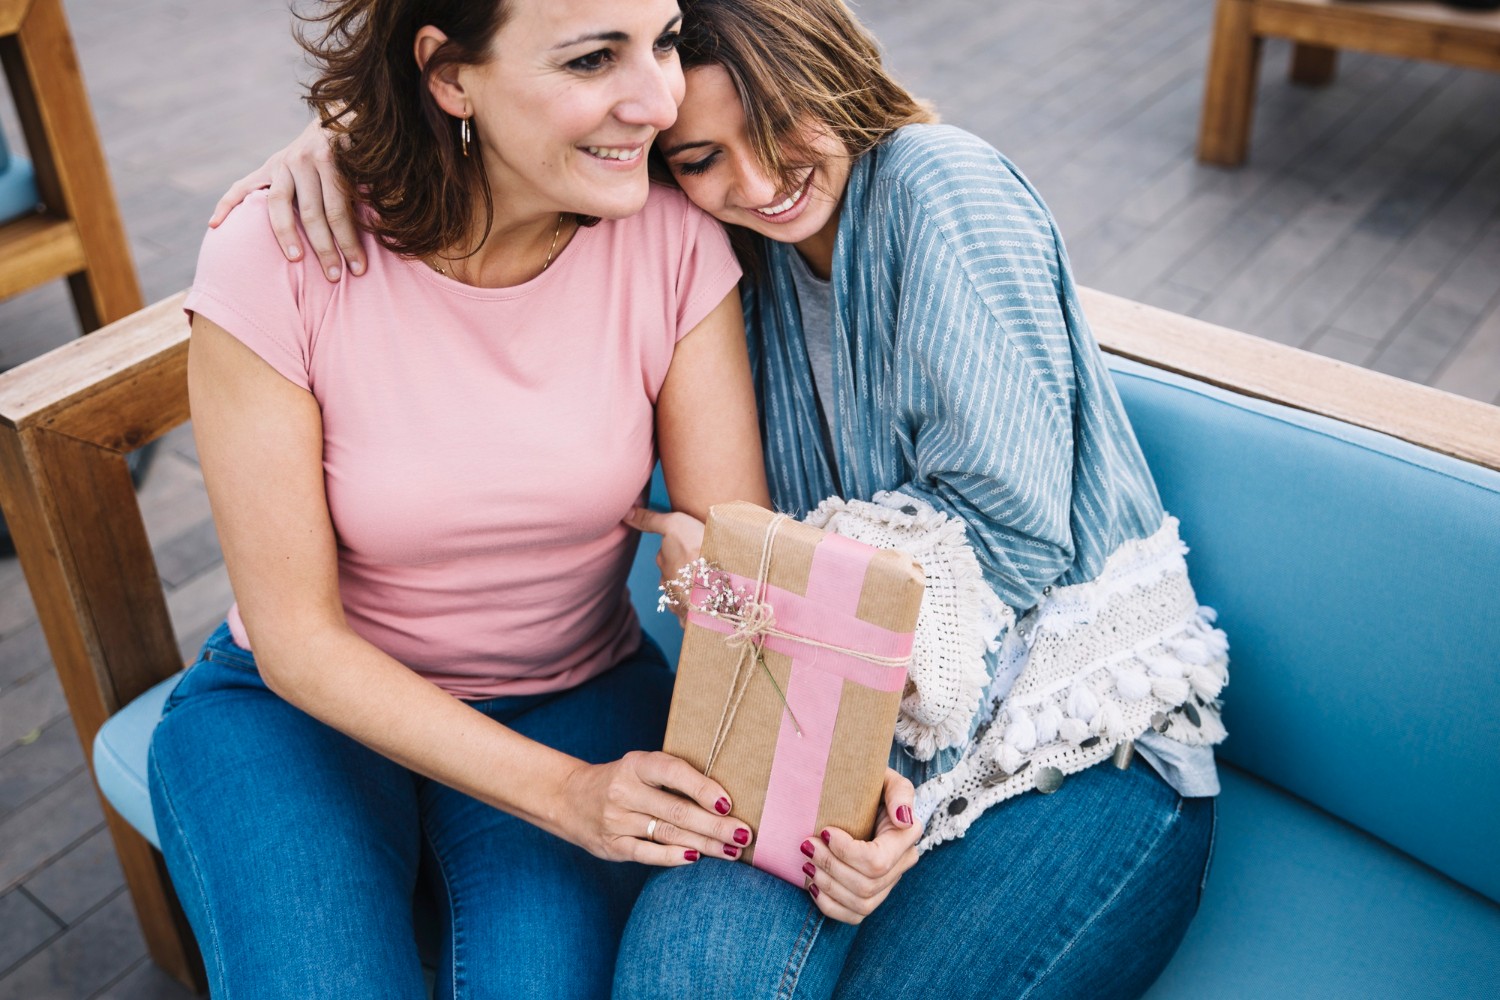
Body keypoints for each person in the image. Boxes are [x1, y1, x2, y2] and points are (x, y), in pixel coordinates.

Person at [223, 2, 1228, 997]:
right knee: (682, 974)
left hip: (1071, 732)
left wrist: (772, 590)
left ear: (829, 68)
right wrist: (352, 130)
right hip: (844, 716)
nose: (756, 180)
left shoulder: (935, 187)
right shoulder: (721, 242)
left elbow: (1010, 538)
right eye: (701, 155)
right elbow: (527, 127)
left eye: (776, 121)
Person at [150, 1, 848, 997]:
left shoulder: (672, 235)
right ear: (448, 75)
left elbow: (742, 558)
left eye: (662, 39)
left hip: (575, 693)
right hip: (296, 710)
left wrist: (752, 634)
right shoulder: (280, 249)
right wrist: (567, 798)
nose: (658, 99)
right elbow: (295, 638)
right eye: (592, 58)